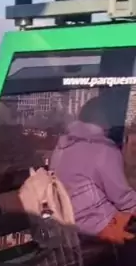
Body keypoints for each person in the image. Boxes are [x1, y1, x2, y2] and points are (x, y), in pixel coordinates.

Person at [50, 96, 136, 244]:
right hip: (100, 229)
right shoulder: (103, 149)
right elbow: (124, 199)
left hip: (70, 224)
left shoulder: (63, 145)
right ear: (106, 121)